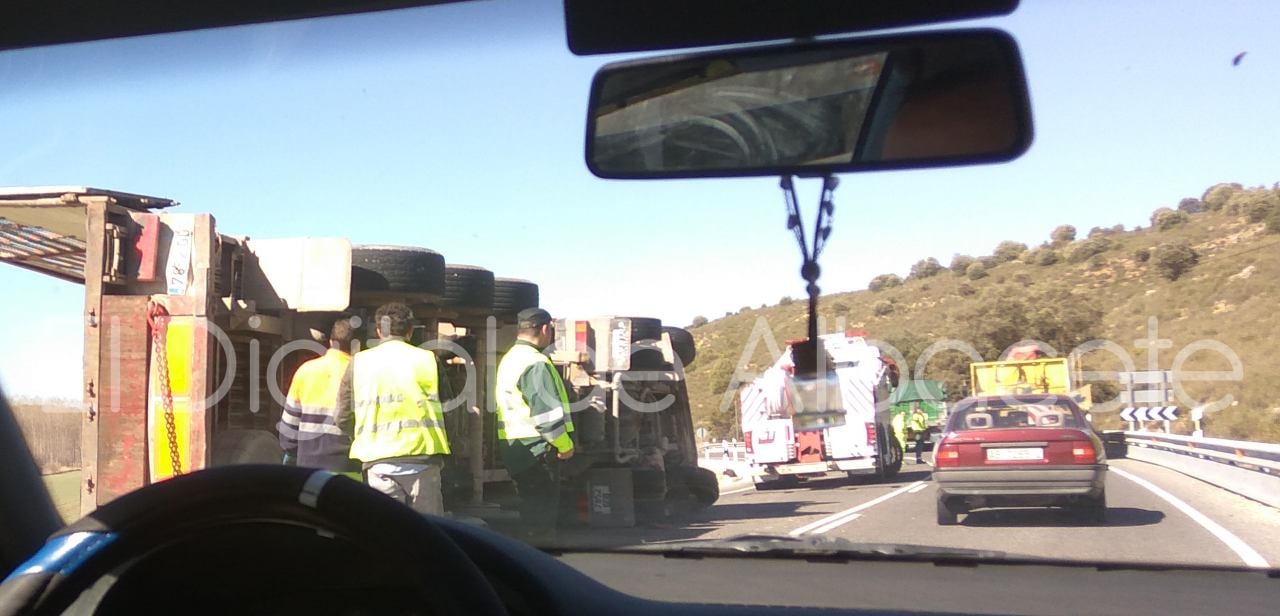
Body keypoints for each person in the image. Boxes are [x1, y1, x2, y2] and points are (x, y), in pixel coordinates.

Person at [338, 302, 450, 515]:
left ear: (379, 331)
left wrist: (361, 439)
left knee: (387, 531)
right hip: (423, 460)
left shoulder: (359, 362)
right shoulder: (428, 360)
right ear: (410, 331)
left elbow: (343, 415)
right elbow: (448, 410)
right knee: (428, 533)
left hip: (377, 462)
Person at [495, 308, 575, 541]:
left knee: (530, 505)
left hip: (516, 445)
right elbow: (545, 413)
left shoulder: (510, 358)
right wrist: (564, 445)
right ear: (544, 329)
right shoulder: (536, 363)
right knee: (542, 511)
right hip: (538, 447)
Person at [278, 318, 361, 480]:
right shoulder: (360, 373)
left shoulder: (305, 370)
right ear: (356, 345)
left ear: (330, 341)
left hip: (307, 466)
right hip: (347, 465)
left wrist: (293, 452)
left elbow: (289, 426)